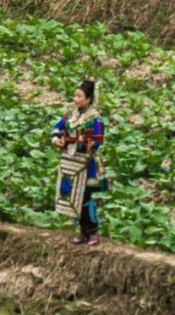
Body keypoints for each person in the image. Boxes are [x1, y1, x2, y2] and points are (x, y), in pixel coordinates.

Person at [53, 79, 107, 247]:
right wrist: (55, 138)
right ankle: (82, 231)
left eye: (79, 96)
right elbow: (58, 127)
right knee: (74, 197)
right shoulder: (70, 115)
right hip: (72, 162)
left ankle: (93, 231)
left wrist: (85, 142)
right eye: (74, 96)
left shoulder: (95, 119)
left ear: (88, 99)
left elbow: (98, 141)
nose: (75, 99)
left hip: (87, 163)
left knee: (85, 197)